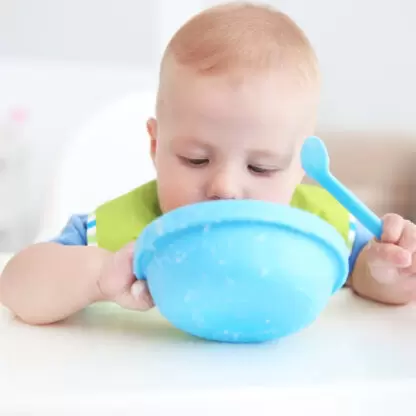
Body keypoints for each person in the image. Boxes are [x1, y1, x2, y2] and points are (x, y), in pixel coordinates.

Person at [1, 2, 416, 325]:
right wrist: (97, 276)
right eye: (195, 159)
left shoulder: (323, 230)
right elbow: (16, 287)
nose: (225, 187)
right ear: (155, 145)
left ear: (300, 165)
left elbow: (370, 281)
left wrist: (387, 271)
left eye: (262, 167)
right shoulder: (114, 235)